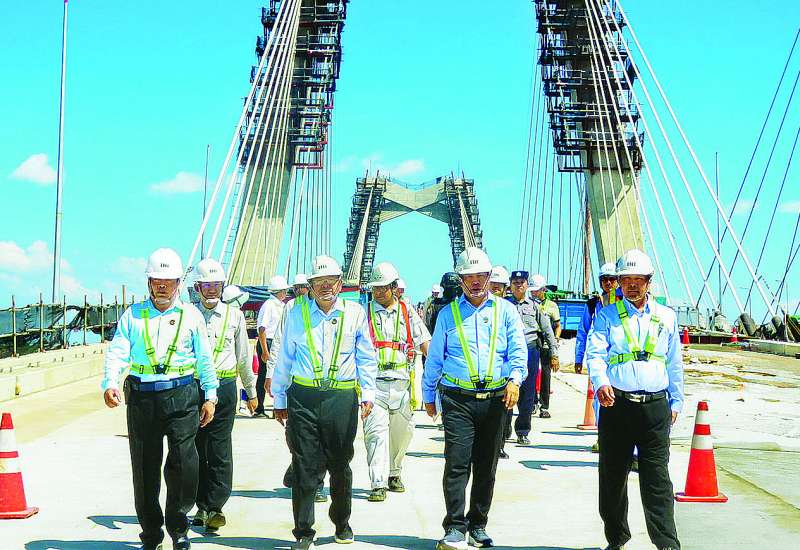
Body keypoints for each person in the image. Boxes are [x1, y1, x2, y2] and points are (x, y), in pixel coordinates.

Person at [102, 248, 218, 550]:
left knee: (184, 462)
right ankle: (152, 535)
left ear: (179, 283)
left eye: (168, 281)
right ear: (148, 282)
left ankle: (179, 528)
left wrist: (210, 395)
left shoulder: (191, 316)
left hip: (182, 395)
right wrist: (110, 382)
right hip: (143, 398)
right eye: (157, 281)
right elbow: (118, 351)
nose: (162, 286)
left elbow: (205, 358)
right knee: (145, 469)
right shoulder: (133, 315)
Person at [423, 247, 528, 550]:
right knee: (457, 464)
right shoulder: (448, 315)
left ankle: (478, 525)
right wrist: (428, 394)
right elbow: (435, 359)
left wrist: (515, 380)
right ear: (461, 280)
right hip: (458, 399)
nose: (476, 281)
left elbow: (518, 351)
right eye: (469, 276)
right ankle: (455, 527)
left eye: (481, 275)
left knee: (486, 466)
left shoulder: (505, 311)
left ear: (489, 276)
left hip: (496, 399)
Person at [272, 255, 378, 549]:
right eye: (319, 282)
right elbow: (285, 358)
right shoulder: (296, 314)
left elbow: (366, 356)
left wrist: (368, 393)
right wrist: (279, 397)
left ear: (340, 284)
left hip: (340, 398)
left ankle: (342, 522)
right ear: (310, 286)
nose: (326, 287)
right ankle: (303, 531)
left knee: (340, 464)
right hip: (303, 397)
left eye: (331, 281)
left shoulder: (355, 313)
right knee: (304, 465)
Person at [586, 249, 683, 550]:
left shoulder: (667, 317)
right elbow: (595, 354)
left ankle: (667, 543)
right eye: (625, 279)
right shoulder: (607, 316)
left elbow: (674, 362)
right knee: (612, 478)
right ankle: (616, 539)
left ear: (648, 282)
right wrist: (601, 383)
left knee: (657, 479)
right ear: (618, 282)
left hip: (655, 408)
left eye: (638, 280)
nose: (631, 285)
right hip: (617, 407)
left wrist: (677, 401)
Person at [190, 259, 258, 533]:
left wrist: (251, 391)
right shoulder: (187, 315)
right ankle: (200, 505)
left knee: (219, 449)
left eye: (217, 285)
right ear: (197, 287)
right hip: (193, 388)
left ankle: (216, 506)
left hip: (226, 387)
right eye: (206, 285)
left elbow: (243, 357)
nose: (212, 290)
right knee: (194, 449)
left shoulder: (234, 316)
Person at [363, 261, 431, 502]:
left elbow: (424, 340)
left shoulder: (407, 312)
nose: (379, 292)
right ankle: (377, 483)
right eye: (376, 288)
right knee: (375, 434)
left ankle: (395, 472)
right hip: (374, 385)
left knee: (403, 434)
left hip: (402, 385)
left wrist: (435, 370)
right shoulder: (363, 313)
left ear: (394, 287)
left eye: (384, 287)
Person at [506, 270, 557, 448]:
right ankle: (504, 430)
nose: (519, 285)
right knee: (506, 390)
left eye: (522, 282)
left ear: (527, 285)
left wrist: (554, 353)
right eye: (515, 282)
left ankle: (522, 431)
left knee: (527, 393)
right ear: (510, 285)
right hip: (508, 353)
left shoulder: (535, 306)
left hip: (530, 351)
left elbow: (547, 330)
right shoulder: (504, 305)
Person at [254, 275, 290, 416]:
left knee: (276, 376)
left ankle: (277, 406)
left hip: (276, 342)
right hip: (267, 342)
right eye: (284, 290)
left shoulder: (281, 305)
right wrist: (265, 350)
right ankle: (259, 407)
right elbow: (262, 328)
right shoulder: (269, 305)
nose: (285, 293)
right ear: (278, 291)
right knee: (264, 375)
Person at [529, 274, 560, 418]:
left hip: (546, 341)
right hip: (533, 340)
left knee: (546, 374)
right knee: (531, 373)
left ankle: (544, 406)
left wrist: (555, 344)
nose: (534, 293)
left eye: (536, 290)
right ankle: (532, 402)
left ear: (543, 289)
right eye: (532, 290)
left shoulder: (552, 306)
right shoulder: (527, 304)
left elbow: (557, 326)